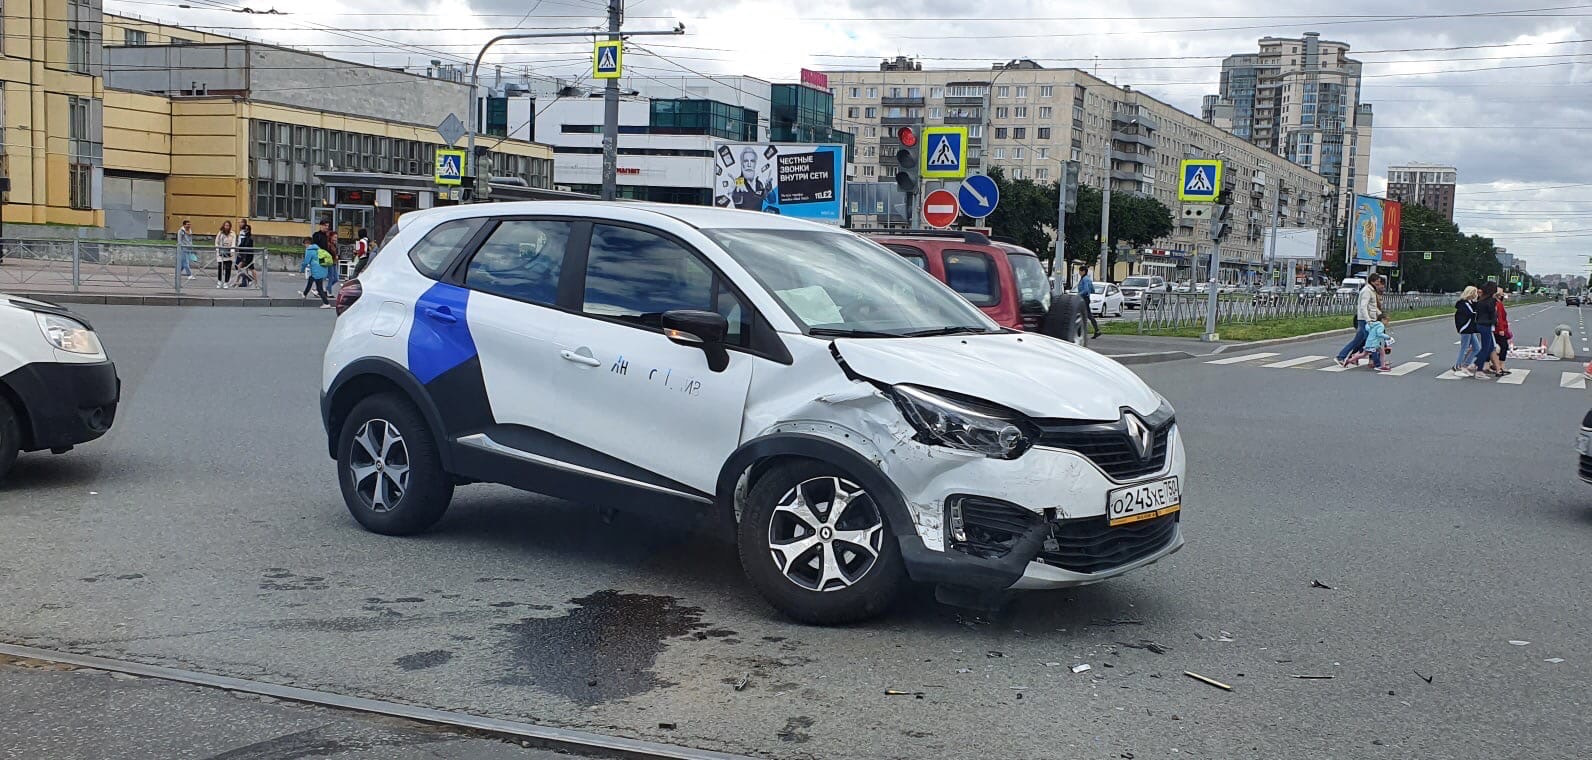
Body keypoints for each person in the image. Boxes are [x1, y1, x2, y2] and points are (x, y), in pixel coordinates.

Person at [1335, 272, 1385, 366]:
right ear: (1372, 282)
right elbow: (1363, 307)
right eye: (1377, 283)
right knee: (1372, 341)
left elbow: (1372, 306)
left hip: (1367, 319)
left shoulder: (1371, 290)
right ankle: (1377, 363)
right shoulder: (1367, 291)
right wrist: (1368, 320)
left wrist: (1381, 315)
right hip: (1365, 320)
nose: (1378, 285)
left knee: (1357, 341)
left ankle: (1341, 356)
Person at [1471, 282, 1501, 378]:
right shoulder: (1491, 300)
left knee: (1490, 347)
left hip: (1480, 324)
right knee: (1486, 348)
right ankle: (1477, 368)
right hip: (1486, 325)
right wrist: (1495, 321)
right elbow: (1492, 313)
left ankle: (1476, 365)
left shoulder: (1481, 299)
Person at [1452, 285, 1481, 374]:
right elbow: (1472, 313)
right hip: (1466, 328)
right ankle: (1458, 365)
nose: (1476, 295)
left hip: (1470, 329)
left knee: (1477, 348)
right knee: (1464, 348)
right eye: (1475, 293)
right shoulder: (1464, 303)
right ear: (1471, 293)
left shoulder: (1470, 303)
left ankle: (1465, 364)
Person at [300, 236, 332, 308]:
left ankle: (326, 303)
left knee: (319, 288)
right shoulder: (318, 249)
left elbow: (306, 262)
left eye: (304, 244)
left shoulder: (309, 250)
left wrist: (302, 270)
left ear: (307, 243)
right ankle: (304, 294)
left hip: (316, 270)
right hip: (322, 269)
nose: (305, 246)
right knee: (311, 280)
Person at [1491, 292, 1513, 376]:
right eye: (1502, 295)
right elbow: (1499, 317)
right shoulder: (1498, 304)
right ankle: (1501, 365)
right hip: (1498, 329)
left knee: (1492, 347)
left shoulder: (1493, 303)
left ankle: (1490, 364)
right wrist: (1501, 329)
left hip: (1495, 328)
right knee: (1504, 346)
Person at [1077, 265, 1101, 339]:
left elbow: (1086, 290)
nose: (1079, 273)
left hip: (1084, 298)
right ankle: (1096, 330)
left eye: (1080, 271)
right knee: (1087, 315)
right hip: (1086, 298)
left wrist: (1078, 294)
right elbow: (1092, 289)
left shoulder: (1085, 279)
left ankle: (1081, 331)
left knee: (1082, 314)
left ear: (1083, 271)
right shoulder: (1087, 279)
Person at [214, 220, 236, 288]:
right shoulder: (220, 233)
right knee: (220, 267)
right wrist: (217, 249)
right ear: (223, 226)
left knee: (228, 268)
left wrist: (232, 250)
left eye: (228, 226)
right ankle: (219, 281)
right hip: (221, 252)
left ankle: (226, 282)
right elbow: (216, 241)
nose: (227, 227)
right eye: (225, 225)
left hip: (229, 253)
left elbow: (233, 242)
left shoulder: (233, 233)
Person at [233, 221, 255, 288]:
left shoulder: (248, 238)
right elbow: (241, 244)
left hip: (247, 255)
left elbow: (246, 246)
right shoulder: (243, 234)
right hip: (243, 254)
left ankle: (249, 280)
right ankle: (243, 281)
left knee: (249, 269)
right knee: (240, 267)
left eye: (241, 222)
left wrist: (239, 250)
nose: (240, 223)